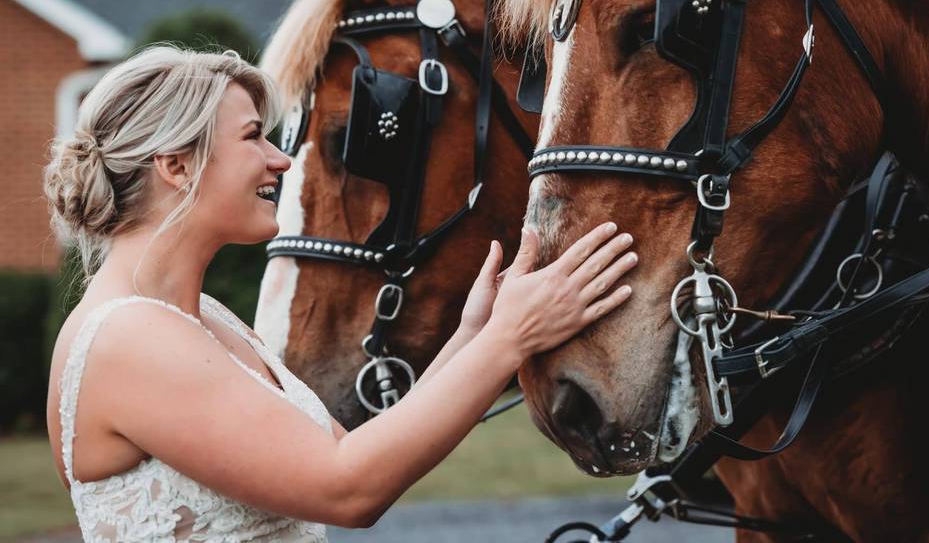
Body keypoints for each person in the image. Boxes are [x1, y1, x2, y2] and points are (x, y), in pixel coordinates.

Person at [42, 46, 638, 542]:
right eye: (253, 137)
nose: (278, 160)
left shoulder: (210, 322)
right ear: (175, 164)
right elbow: (347, 488)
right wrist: (510, 341)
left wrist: (474, 333)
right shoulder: (128, 338)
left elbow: (352, 452)